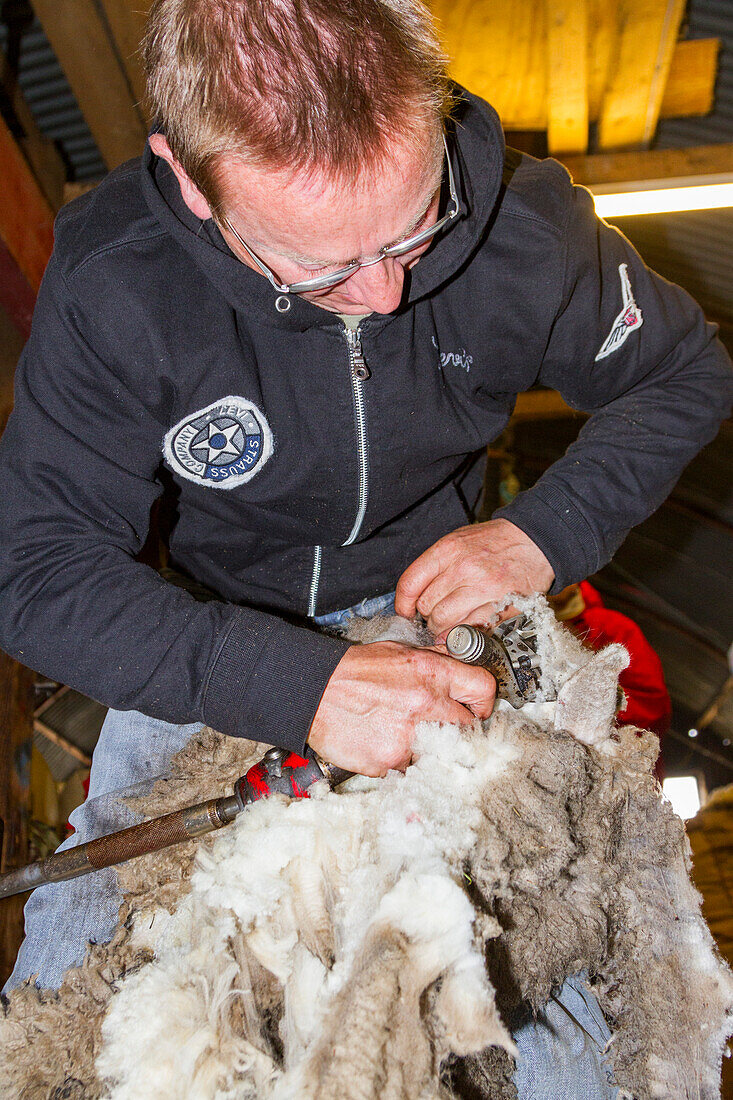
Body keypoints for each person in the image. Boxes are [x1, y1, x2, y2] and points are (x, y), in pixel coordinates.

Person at [0, 0, 730, 1094]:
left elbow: (682, 373)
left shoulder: (523, 228)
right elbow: (35, 569)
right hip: (208, 635)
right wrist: (301, 682)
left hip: (448, 620)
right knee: (73, 993)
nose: (384, 293)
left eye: (411, 228)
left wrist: (538, 535)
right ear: (193, 184)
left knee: (555, 1038)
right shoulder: (119, 284)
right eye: (319, 268)